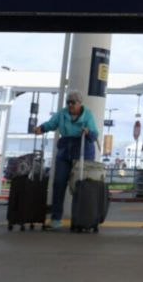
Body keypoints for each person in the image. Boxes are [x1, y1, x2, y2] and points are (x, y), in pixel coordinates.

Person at [32, 89, 99, 229]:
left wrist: (87, 132)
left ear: (80, 103)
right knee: (59, 184)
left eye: (73, 102)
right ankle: (56, 219)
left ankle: (80, 218)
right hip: (65, 151)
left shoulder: (88, 115)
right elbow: (51, 124)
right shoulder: (62, 113)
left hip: (82, 152)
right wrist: (41, 128)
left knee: (80, 187)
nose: (70, 105)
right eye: (68, 102)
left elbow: (94, 134)